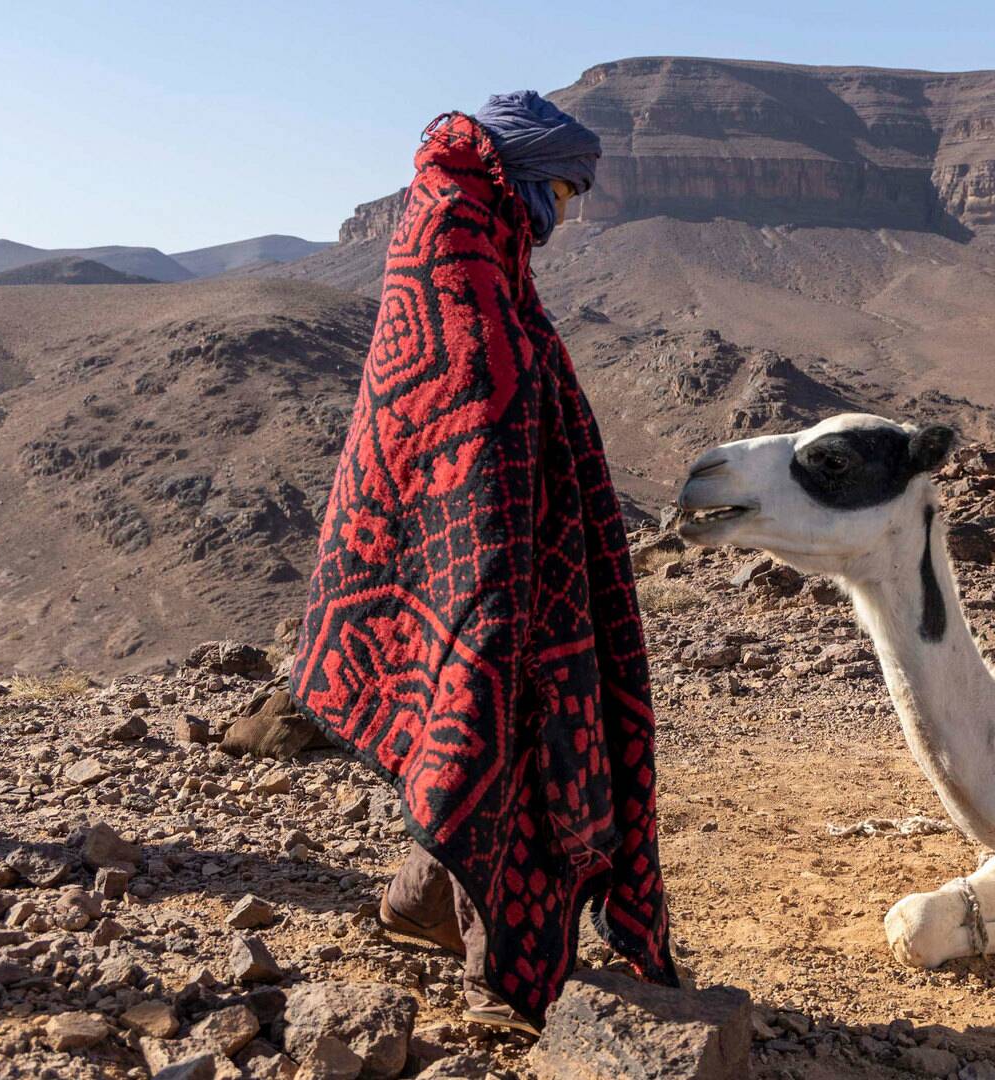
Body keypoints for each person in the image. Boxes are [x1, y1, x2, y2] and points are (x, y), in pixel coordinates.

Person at [287, 91, 677, 1034]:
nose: (569, 213)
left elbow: (510, 372)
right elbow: (465, 391)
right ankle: (495, 964)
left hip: (503, 543)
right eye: (564, 191)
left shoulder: (482, 225)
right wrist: (499, 551)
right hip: (466, 552)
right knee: (486, 718)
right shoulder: (454, 226)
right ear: (525, 174)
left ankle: (423, 895)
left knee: (490, 721)